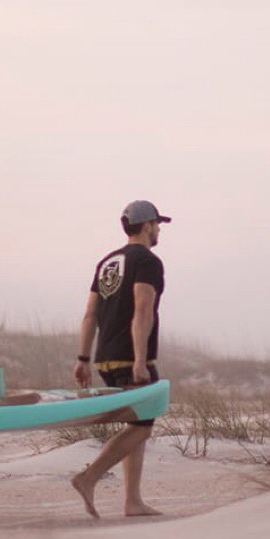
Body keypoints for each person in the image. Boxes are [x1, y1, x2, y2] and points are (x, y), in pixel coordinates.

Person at [70, 200, 169, 518]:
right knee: (142, 426)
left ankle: (132, 501)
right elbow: (142, 309)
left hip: (105, 358)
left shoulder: (108, 262)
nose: (158, 230)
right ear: (146, 226)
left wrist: (83, 358)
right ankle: (89, 477)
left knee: (135, 424)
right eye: (157, 224)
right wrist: (140, 360)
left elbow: (90, 314)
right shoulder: (148, 261)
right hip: (131, 357)